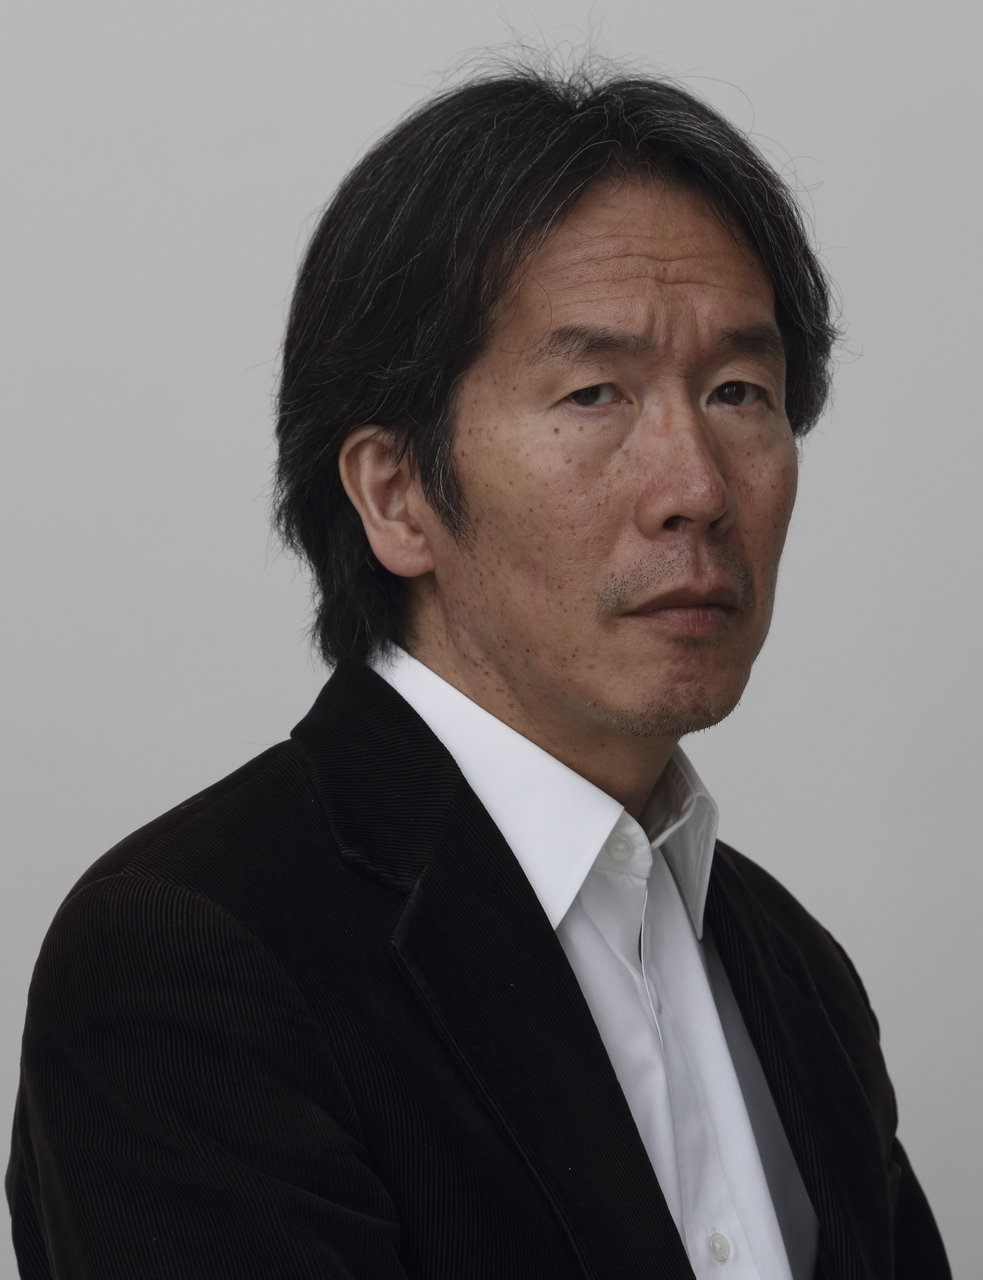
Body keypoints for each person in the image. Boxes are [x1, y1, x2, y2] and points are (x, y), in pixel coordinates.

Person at [7, 65, 950, 1280]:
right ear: (395, 493)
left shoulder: (796, 973)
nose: (697, 486)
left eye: (737, 392)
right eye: (593, 392)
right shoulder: (189, 958)